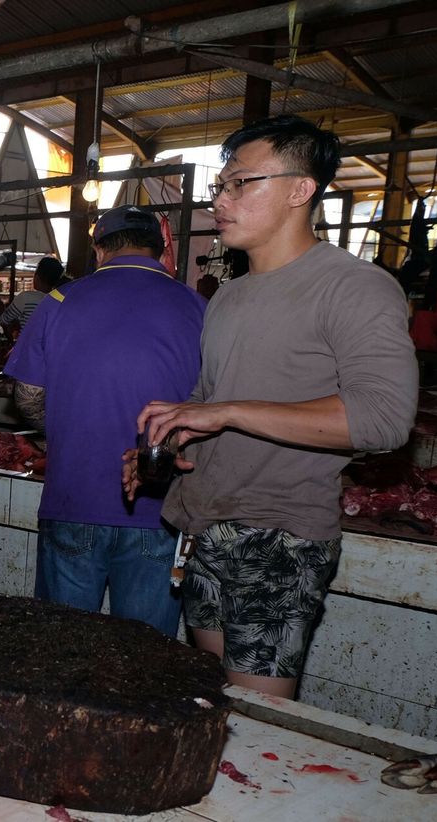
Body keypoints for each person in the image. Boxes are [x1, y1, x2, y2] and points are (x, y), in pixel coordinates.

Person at [125, 114, 418, 696]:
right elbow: (214, 398)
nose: (221, 200)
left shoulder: (353, 286)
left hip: (278, 535)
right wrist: (177, 436)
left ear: (300, 190)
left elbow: (384, 417)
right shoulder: (230, 295)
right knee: (210, 704)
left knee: (262, 732)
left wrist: (227, 412)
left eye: (242, 183)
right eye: (221, 186)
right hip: (204, 525)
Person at [4, 206, 204, 636]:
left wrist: (63, 430)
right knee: (144, 660)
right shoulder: (196, 306)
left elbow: (27, 394)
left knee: (64, 649)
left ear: (98, 250)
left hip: (73, 499)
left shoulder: (60, 300)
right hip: (160, 509)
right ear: (161, 248)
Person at [1, 256, 64, 335]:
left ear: (37, 277)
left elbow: (4, 320)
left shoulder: (25, 297)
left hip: (27, 346)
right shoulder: (61, 300)